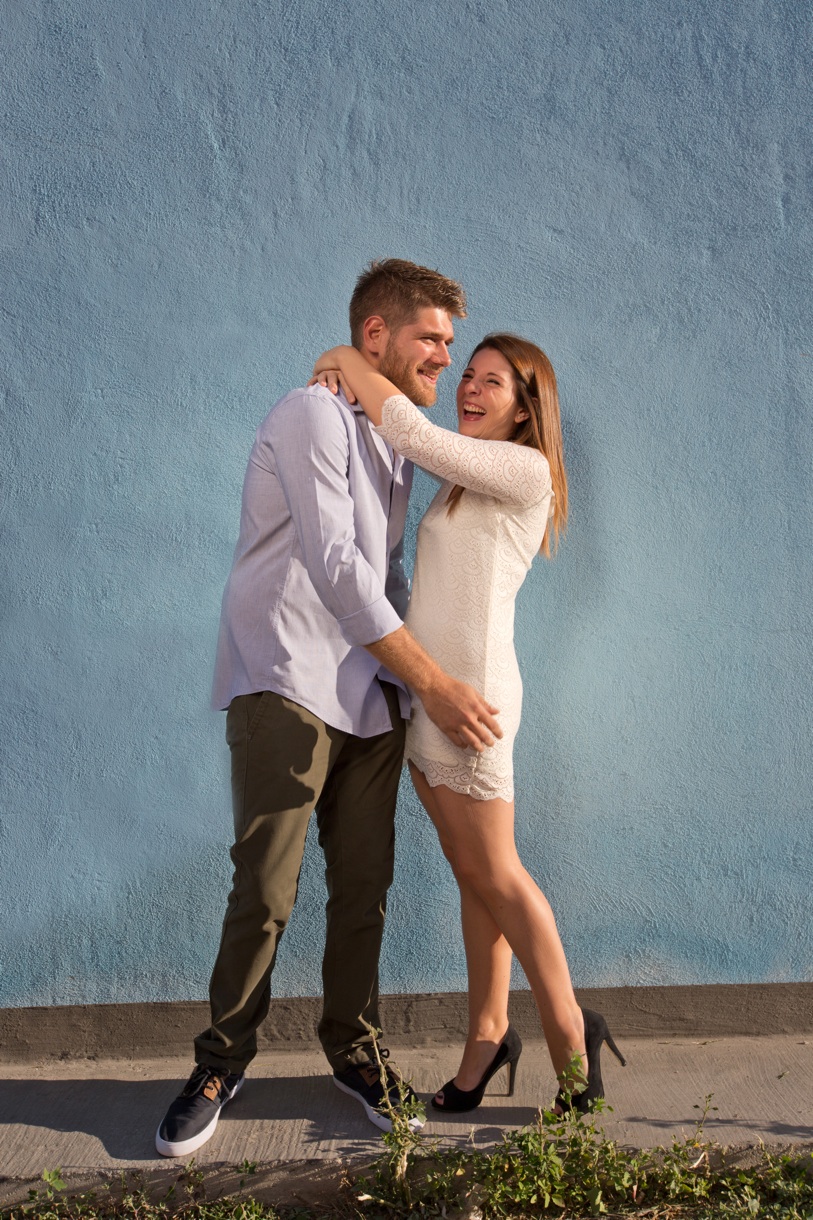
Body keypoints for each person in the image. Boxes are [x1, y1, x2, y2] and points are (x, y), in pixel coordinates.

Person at [154, 259, 503, 1158]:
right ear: (376, 335)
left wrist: (401, 685)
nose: (444, 357)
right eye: (430, 338)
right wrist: (433, 681)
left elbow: (382, 574)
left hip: (368, 699)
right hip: (286, 682)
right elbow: (340, 569)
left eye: (451, 344)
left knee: (365, 891)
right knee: (265, 889)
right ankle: (219, 1062)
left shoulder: (395, 435)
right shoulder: (308, 413)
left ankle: (354, 1054)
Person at [311, 333, 626, 1114]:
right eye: (470, 378)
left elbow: (409, 432)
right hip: (434, 697)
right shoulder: (461, 483)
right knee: (476, 876)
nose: (471, 389)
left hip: (472, 702)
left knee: (499, 875)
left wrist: (347, 359)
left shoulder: (523, 470)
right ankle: (486, 1036)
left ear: (527, 410)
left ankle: (570, 1033)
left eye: (492, 383)